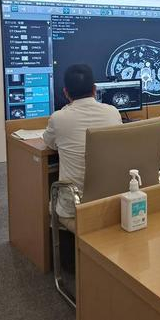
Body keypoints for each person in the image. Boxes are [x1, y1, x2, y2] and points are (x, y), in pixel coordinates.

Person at [43, 64, 122, 218]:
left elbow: (50, 143)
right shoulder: (113, 112)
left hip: (76, 206)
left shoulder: (58, 118)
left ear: (66, 92)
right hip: (110, 201)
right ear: (94, 89)